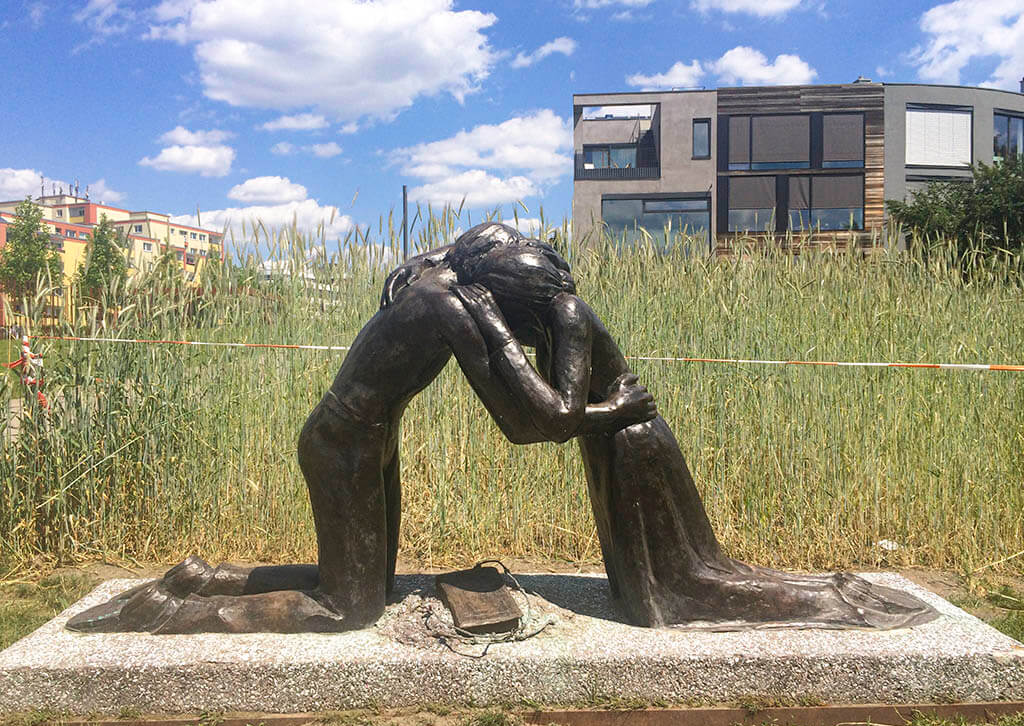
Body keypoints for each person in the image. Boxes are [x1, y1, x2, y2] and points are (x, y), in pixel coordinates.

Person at [66, 224, 656, 634]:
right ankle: (169, 613)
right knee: (345, 609)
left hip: (361, 440)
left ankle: (203, 578)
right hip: (345, 445)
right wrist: (614, 409)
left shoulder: (436, 282)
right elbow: (526, 424)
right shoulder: (449, 304)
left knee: (362, 586)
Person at [443, 232, 937, 630]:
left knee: (691, 584)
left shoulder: (566, 313)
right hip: (610, 440)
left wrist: (499, 334)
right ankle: (821, 593)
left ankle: (832, 595)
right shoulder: (543, 305)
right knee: (641, 593)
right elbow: (477, 253)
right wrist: (613, 409)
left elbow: (559, 418)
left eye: (499, 308)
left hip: (634, 448)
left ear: (512, 301)